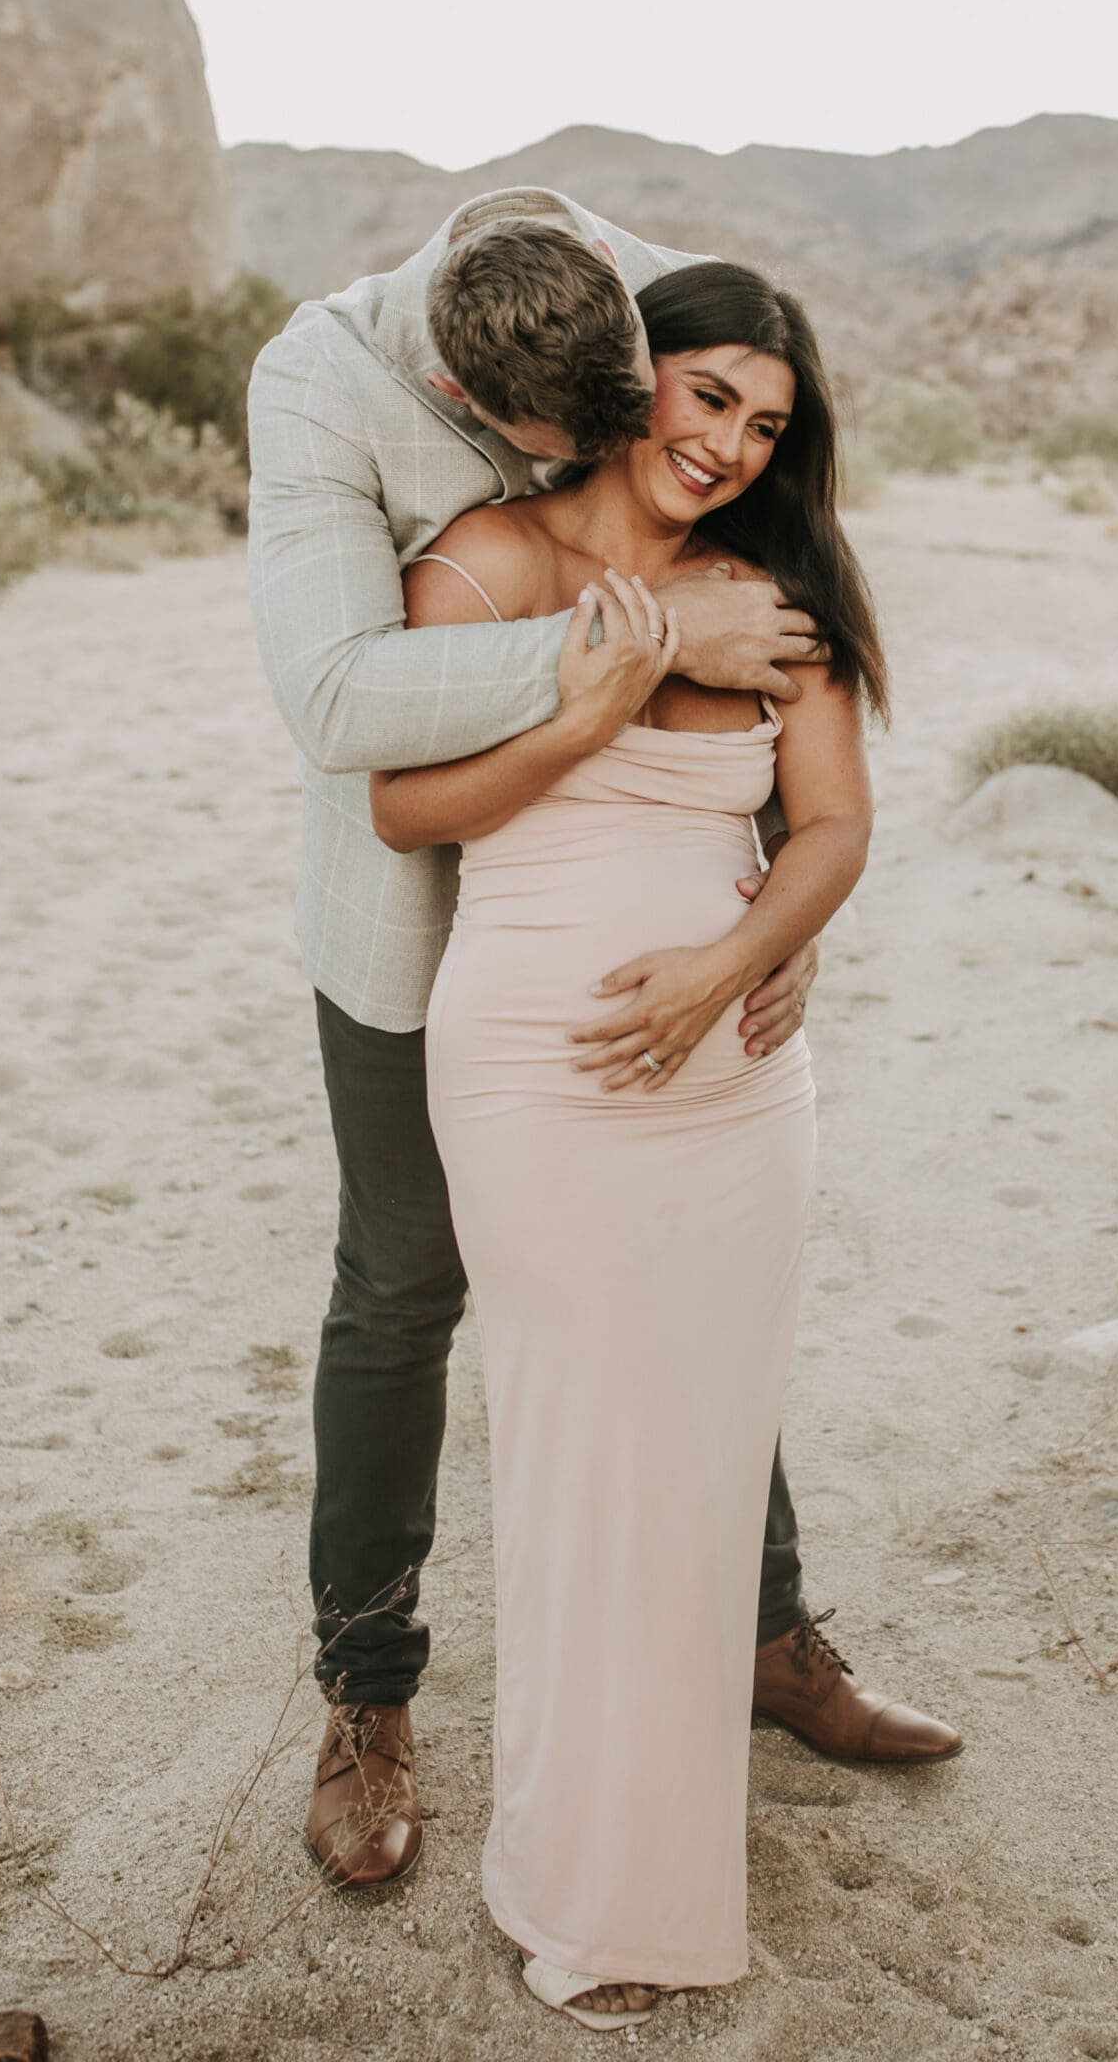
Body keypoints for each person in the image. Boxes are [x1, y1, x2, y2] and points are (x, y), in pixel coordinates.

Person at [245, 192, 961, 1908]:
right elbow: (344, 711)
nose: (635, 451)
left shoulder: (666, 320)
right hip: (426, 931)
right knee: (404, 1290)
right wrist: (634, 662)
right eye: (549, 442)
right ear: (465, 394)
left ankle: (764, 1637)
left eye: (667, 410)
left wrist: (770, 937)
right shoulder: (321, 390)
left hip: (696, 958)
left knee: (697, 1289)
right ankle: (368, 1698)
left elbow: (822, 779)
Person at [369, 256, 898, 2024]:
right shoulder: (489, 565)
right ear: (634, 375)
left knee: (694, 1454)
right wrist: (600, 699)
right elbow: (405, 802)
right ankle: (585, 1883)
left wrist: (739, 957)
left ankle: (668, 1828)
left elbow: (828, 826)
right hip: (538, 1069)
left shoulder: (782, 587)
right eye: (710, 395)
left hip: (740, 1080)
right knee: (582, 1459)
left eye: (768, 420)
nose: (734, 444)